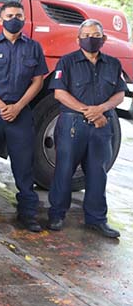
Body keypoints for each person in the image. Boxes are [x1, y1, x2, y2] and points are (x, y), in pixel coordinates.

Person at [47, 19, 127, 238]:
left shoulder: (113, 63)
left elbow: (120, 93)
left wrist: (101, 109)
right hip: (73, 124)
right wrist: (88, 111)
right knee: (64, 170)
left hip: (102, 125)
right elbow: (59, 93)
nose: (91, 38)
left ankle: (96, 219)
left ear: (104, 38)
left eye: (96, 34)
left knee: (97, 172)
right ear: (78, 39)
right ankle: (56, 214)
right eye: (86, 34)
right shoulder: (67, 62)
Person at [0, 1, 48, 232]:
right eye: (9, 15)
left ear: (24, 18)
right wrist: (0, 105)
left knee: (24, 164)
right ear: (0, 20)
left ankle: (27, 213)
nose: (14, 19)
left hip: (20, 113)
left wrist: (18, 106)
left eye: (18, 15)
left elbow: (38, 80)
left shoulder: (34, 48)